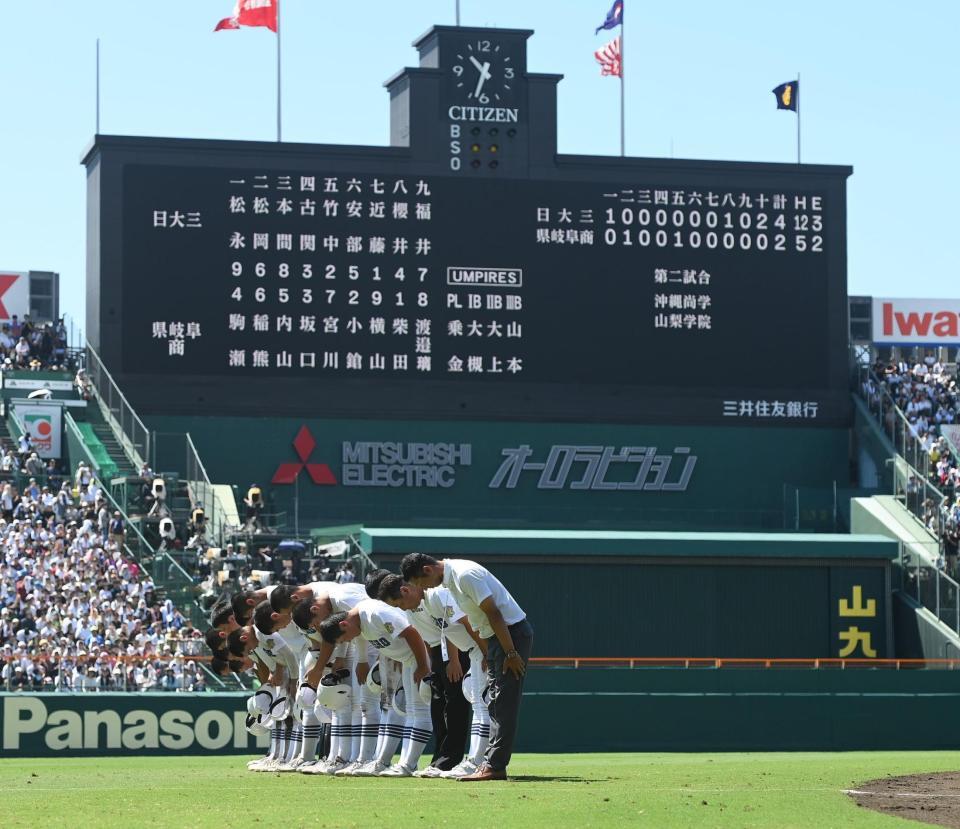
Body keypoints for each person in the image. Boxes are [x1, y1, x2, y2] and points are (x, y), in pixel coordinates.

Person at [402, 553, 532, 782]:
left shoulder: (464, 575)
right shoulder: (450, 579)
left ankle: (495, 766)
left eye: (421, 583)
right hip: (494, 638)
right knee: (493, 702)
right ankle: (490, 763)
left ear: (428, 569)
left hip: (508, 635)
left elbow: (493, 612)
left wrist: (510, 652)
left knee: (503, 703)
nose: (423, 589)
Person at [378, 573, 488, 778]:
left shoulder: (436, 595)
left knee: (460, 705)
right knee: (439, 708)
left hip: (459, 650)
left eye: (400, 603)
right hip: (440, 653)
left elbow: (453, 627)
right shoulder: (416, 606)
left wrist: (455, 660)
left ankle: (458, 759)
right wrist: (429, 666)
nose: (401, 608)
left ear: (405, 590)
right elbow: (430, 637)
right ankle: (441, 757)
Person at [315, 598, 432, 777]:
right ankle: (405, 764)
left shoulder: (375, 613)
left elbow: (412, 633)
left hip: (419, 658)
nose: (349, 640)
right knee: (411, 711)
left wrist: (423, 666)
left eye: (345, 638)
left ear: (344, 625)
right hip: (407, 660)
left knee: (419, 711)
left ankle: (408, 765)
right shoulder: (359, 621)